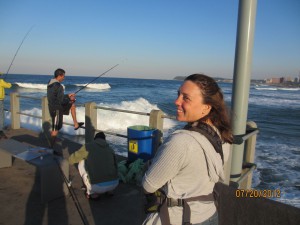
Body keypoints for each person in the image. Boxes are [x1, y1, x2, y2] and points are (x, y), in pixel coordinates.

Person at [142, 74, 233, 225]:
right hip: (209, 214)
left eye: (186, 98)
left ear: (206, 107)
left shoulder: (181, 142)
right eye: (178, 94)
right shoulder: (223, 135)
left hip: (177, 219)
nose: (176, 101)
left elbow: (148, 185)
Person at [69, 132, 119, 199]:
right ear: (104, 140)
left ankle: (92, 193)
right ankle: (110, 191)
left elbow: (72, 159)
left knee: (81, 161)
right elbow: (116, 166)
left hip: (97, 187)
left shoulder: (88, 146)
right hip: (114, 184)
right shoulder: (111, 149)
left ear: (95, 139)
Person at [47, 68, 84, 148]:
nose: (64, 78)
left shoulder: (50, 83)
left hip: (52, 107)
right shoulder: (59, 86)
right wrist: (70, 99)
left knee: (72, 105)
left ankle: (76, 124)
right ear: (60, 75)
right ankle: (50, 148)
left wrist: (67, 96)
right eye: (63, 76)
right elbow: (61, 101)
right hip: (56, 109)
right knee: (55, 130)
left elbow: (56, 96)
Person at [0, 72, 12, 139]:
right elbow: (9, 86)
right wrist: (8, 83)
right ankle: (0, 130)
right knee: (1, 115)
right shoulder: (1, 81)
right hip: (0, 100)